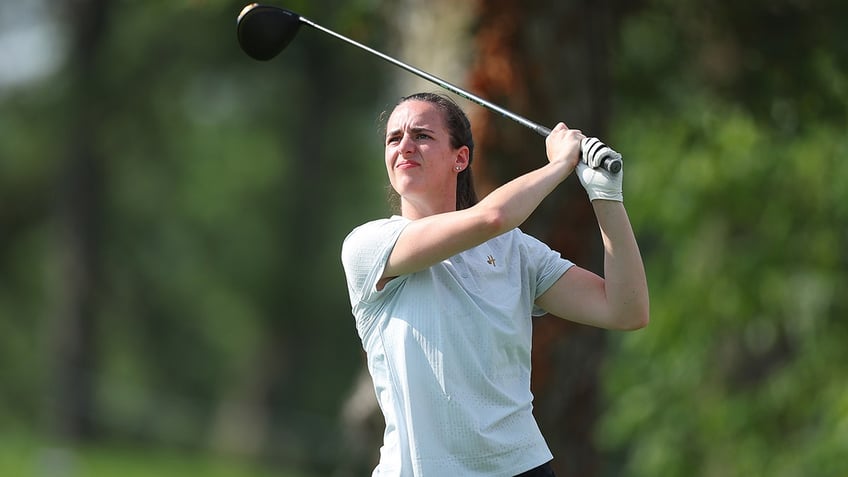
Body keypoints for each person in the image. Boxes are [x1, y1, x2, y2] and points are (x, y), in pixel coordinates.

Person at [341, 92, 649, 477]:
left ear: (461, 158)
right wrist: (559, 165)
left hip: (522, 468)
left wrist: (605, 196)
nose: (404, 146)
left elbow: (626, 310)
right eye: (393, 138)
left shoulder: (515, 251)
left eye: (421, 135)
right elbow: (492, 217)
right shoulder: (369, 247)